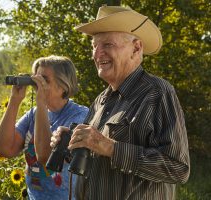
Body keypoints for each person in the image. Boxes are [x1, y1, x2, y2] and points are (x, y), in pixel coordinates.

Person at [50, 5, 190, 200]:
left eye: (107, 45)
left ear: (136, 47)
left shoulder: (157, 92)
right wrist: (72, 144)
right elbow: (98, 161)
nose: (97, 55)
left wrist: (111, 148)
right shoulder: (100, 100)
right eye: (94, 46)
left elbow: (178, 169)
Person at [0, 55, 89, 200]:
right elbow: (4, 148)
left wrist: (41, 103)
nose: (37, 85)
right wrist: (15, 100)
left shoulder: (79, 117)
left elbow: (45, 157)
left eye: (44, 80)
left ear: (63, 85)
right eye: (35, 79)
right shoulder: (34, 114)